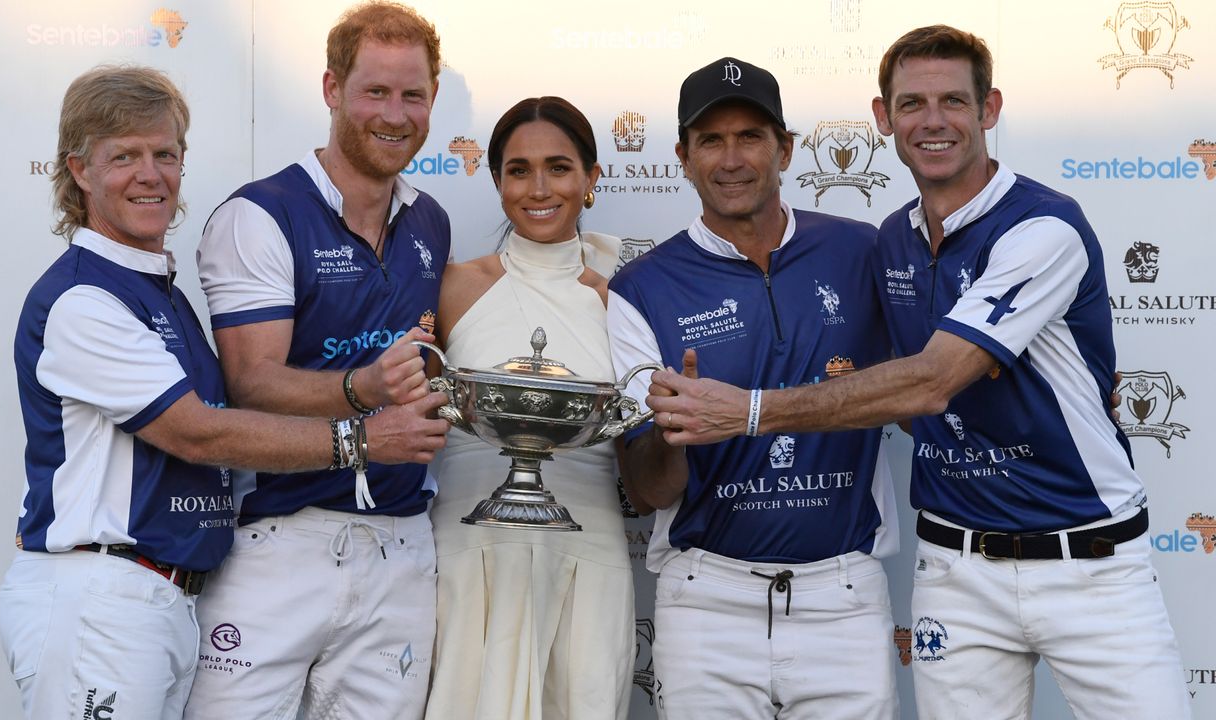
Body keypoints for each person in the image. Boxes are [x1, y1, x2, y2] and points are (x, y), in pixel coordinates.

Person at [646, 26, 1190, 720]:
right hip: (955, 572)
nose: (932, 122)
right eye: (911, 104)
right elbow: (903, 395)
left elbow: (932, 381)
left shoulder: (1043, 227)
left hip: (1089, 560)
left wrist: (751, 411)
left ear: (989, 109)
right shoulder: (892, 240)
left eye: (953, 102)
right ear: (883, 119)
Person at [1, 65, 390, 720]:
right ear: (79, 169)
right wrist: (360, 440)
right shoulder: (83, 298)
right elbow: (195, 432)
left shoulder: (160, 291)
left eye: (165, 154)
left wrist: (361, 387)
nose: (150, 175)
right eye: (123, 157)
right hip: (103, 599)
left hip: (162, 602)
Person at [606, 58, 899, 718]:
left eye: (750, 137)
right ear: (683, 156)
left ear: (786, 149)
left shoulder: (862, 252)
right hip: (707, 602)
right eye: (711, 140)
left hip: (844, 595)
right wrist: (678, 431)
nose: (731, 158)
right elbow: (650, 489)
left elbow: (926, 384)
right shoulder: (641, 290)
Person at [183, 3, 452, 718]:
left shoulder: (430, 218)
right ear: (332, 89)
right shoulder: (261, 214)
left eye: (413, 94)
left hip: (401, 545)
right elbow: (251, 382)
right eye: (375, 91)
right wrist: (363, 388)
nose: (395, 114)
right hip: (281, 537)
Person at [422, 96, 633, 720]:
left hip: (587, 544)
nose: (538, 188)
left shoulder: (621, 296)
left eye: (559, 167)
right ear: (496, 181)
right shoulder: (454, 286)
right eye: (518, 170)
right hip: (467, 544)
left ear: (591, 179)